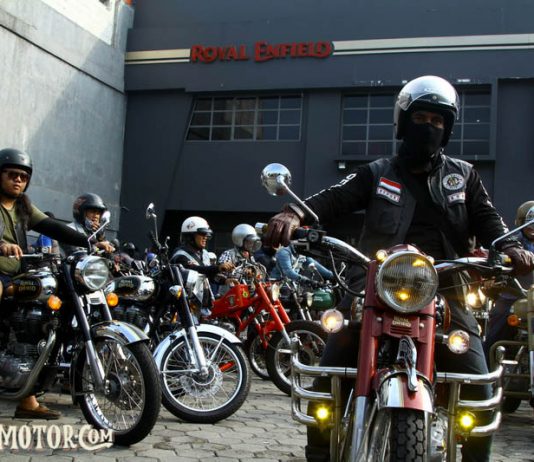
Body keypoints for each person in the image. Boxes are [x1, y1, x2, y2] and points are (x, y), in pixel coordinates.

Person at [264, 75, 534, 462]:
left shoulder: (463, 175)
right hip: (374, 283)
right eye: (421, 118)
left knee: (477, 380)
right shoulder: (376, 172)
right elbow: (334, 198)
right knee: (332, 366)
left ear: (447, 129)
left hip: (445, 287)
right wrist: (294, 213)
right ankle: (320, 450)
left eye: (438, 121)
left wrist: (509, 246)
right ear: (404, 122)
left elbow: (489, 219)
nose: (429, 126)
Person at [0, 148, 92, 419]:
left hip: (18, 274)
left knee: (39, 319)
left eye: (23, 176)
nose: (18, 180)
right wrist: (2, 245)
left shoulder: (23, 207)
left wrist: (88, 241)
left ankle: (28, 398)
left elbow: (51, 226)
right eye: (12, 175)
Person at [484, 201, 534, 361]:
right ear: (520, 222)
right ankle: (487, 364)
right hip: (513, 294)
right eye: (529, 223)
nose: (532, 228)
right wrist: (493, 277)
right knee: (497, 324)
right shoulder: (511, 243)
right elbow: (494, 262)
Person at [170, 216, 234, 318]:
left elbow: (208, 275)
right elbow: (197, 270)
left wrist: (225, 281)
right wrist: (218, 267)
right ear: (190, 236)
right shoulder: (180, 255)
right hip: (185, 306)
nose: (205, 237)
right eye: (202, 234)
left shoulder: (204, 254)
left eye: (206, 234)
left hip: (203, 304)